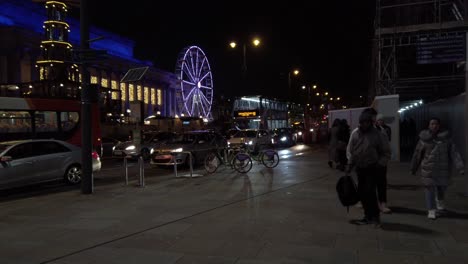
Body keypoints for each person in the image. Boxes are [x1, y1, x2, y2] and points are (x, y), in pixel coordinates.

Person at [410, 117, 464, 220]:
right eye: (432, 124)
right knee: (429, 189)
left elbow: (454, 153)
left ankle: (439, 202)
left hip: (443, 169)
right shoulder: (424, 139)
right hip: (428, 169)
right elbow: (417, 154)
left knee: (441, 188)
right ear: (428, 126)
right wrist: (413, 167)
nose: (434, 126)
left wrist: (460, 167)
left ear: (439, 126)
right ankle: (431, 210)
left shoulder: (446, 139)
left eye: (436, 124)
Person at [346, 109, 391, 227]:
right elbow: (352, 151)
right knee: (362, 193)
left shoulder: (378, 134)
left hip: (373, 168)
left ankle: (375, 217)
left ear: (371, 122)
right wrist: (350, 166)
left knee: (370, 192)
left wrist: (380, 164)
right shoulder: (355, 133)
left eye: (367, 122)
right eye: (362, 122)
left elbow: (386, 152)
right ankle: (367, 216)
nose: (365, 124)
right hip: (360, 168)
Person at [375, 114, 392, 214]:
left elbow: (387, 148)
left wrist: (383, 161)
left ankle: (382, 203)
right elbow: (352, 147)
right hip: (367, 163)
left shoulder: (383, 131)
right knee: (368, 185)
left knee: (381, 184)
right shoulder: (359, 131)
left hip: (380, 163)